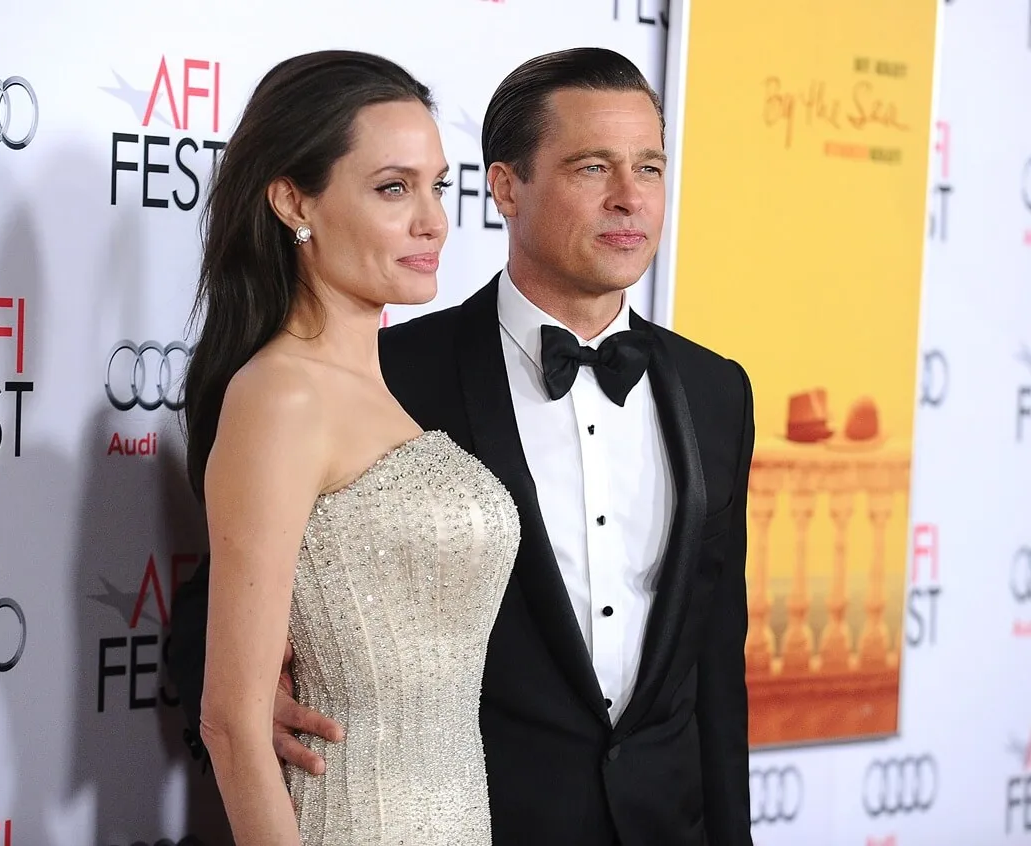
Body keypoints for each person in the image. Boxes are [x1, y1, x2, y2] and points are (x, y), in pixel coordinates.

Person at [171, 47, 755, 846]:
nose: (629, 199)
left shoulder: (716, 392)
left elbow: (717, 666)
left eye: (649, 168)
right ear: (508, 186)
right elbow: (228, 634)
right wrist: (263, 696)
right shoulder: (392, 375)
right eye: (593, 167)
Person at [182, 50, 521, 845]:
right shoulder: (282, 395)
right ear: (292, 200)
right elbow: (232, 724)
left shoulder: (387, 391)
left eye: (437, 185)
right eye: (393, 188)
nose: (434, 219)